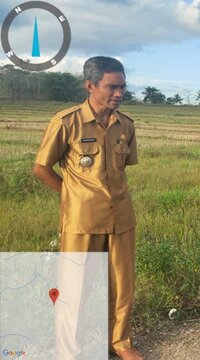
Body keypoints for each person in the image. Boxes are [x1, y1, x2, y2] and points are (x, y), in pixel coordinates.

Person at [33, 56, 143, 360]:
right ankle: (71, 351)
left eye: (122, 87)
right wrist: (72, 196)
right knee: (75, 288)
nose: (118, 93)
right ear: (90, 85)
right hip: (82, 221)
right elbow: (41, 168)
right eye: (111, 87)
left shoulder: (125, 125)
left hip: (121, 217)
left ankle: (120, 343)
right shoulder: (66, 122)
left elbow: (121, 170)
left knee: (122, 284)